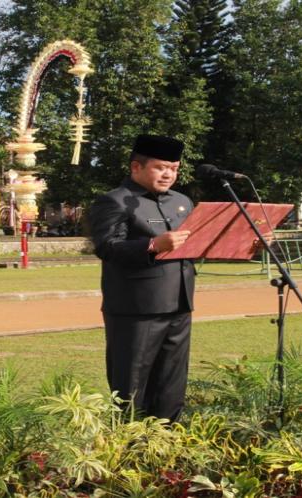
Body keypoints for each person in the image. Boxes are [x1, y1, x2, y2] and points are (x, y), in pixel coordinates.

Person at [88, 134, 195, 422]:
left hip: (179, 304)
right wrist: (151, 246)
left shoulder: (182, 202)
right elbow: (106, 247)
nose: (168, 174)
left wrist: (250, 244)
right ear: (136, 167)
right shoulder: (115, 201)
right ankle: (129, 448)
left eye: (174, 168)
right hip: (136, 310)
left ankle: (167, 445)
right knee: (131, 386)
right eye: (161, 167)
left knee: (172, 384)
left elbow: (197, 246)